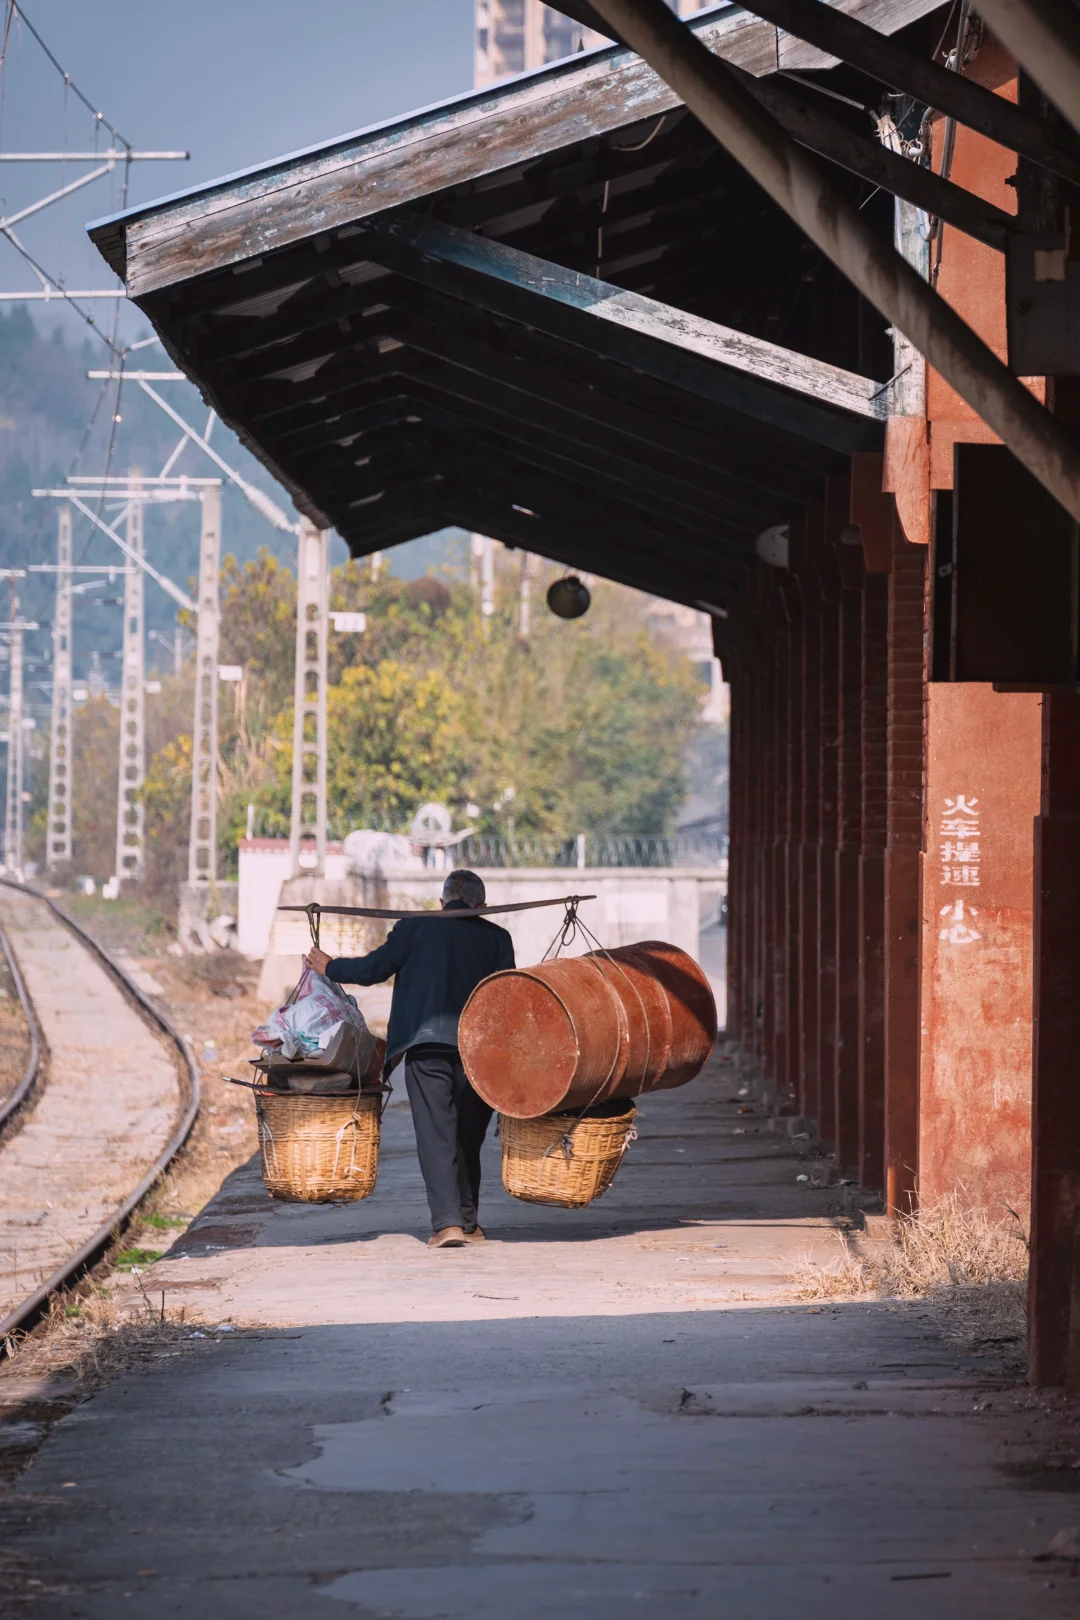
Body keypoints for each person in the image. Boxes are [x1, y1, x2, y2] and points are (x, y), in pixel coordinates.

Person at [305, 869, 514, 1248]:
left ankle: (448, 1223)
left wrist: (330, 967)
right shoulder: (498, 939)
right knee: (468, 1137)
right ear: (481, 906)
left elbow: (373, 970)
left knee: (437, 1135)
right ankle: (468, 1221)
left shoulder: (415, 928)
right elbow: (506, 995)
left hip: (426, 1047)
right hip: (479, 1055)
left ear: (442, 901)